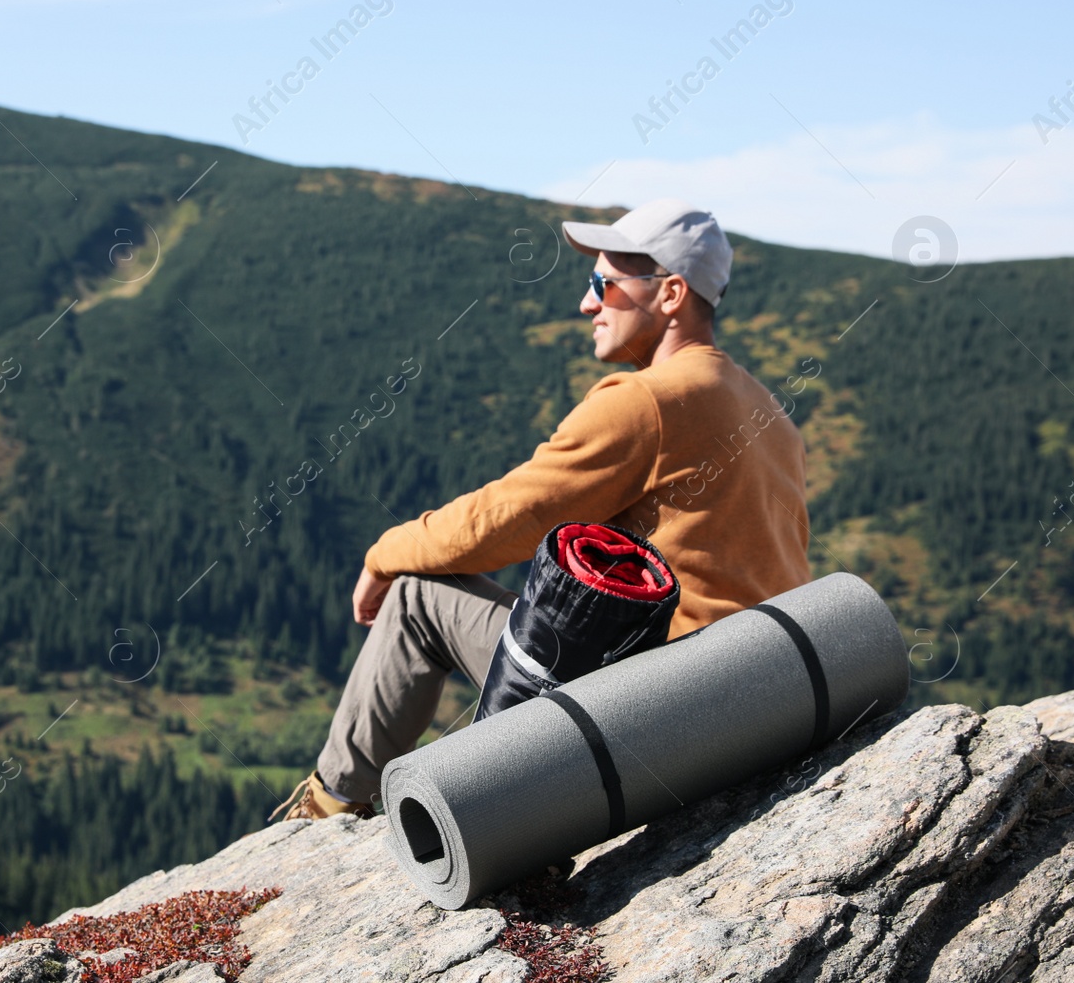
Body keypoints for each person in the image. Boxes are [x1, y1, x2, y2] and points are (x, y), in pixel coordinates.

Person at [272, 197, 813, 821]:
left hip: (664, 713)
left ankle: (326, 813)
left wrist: (384, 553)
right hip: (760, 704)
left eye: (603, 284)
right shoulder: (766, 412)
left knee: (418, 596)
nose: (587, 303)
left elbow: (507, 520)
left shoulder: (648, 401)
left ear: (670, 295)